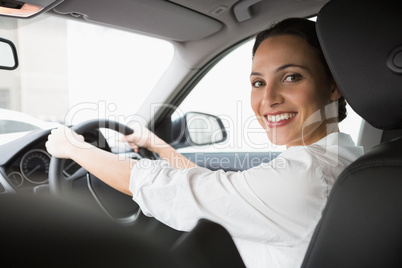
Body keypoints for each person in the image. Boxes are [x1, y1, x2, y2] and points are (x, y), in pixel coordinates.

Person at [46, 18, 364, 268]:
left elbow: (171, 190)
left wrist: (72, 147)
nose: (269, 98)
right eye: (258, 82)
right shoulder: (346, 159)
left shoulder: (305, 176)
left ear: (333, 85)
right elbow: (218, 193)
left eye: (291, 77)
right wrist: (161, 149)